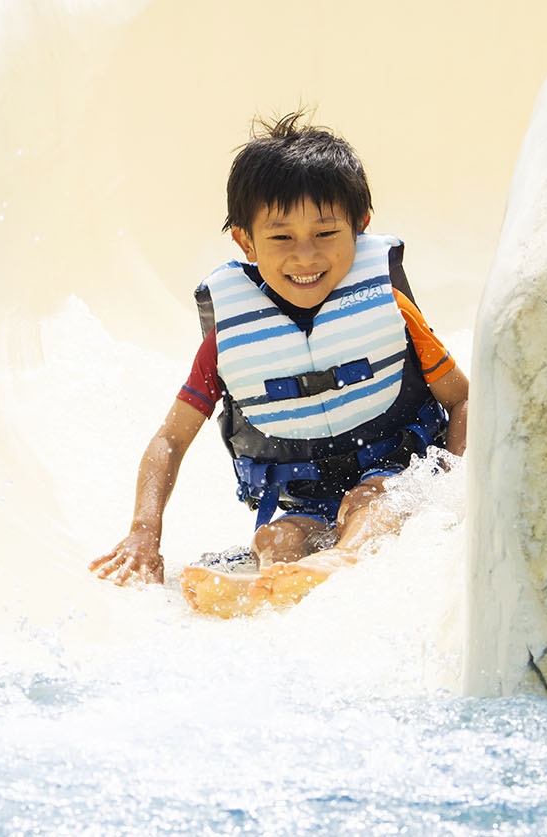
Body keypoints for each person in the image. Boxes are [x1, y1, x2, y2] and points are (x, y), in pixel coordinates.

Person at [88, 112, 470, 617]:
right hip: (306, 495)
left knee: (371, 499)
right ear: (245, 242)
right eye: (282, 238)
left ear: (361, 226)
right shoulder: (231, 339)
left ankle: (345, 558)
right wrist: (143, 534)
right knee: (280, 533)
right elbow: (170, 439)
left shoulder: (390, 308)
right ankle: (271, 584)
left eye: (326, 233)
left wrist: (461, 489)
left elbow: (459, 396)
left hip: (396, 471)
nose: (305, 257)